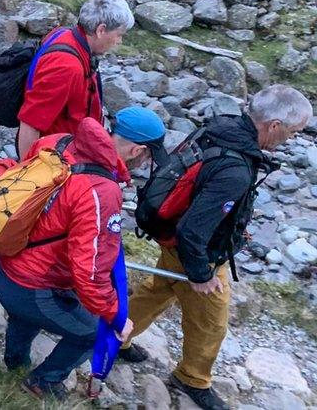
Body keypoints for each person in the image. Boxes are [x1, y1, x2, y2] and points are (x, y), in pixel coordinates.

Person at [119, 85, 313, 410]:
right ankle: (192, 378)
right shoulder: (236, 169)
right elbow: (193, 231)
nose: (291, 139)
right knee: (211, 322)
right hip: (196, 252)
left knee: (159, 289)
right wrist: (201, 274)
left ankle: (115, 338)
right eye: (292, 133)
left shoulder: (221, 126)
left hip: (168, 235)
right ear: (274, 125)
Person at [0, 107, 167, 400]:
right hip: (31, 283)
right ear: (138, 150)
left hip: (4, 259)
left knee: (27, 315)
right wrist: (117, 318)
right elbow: (90, 272)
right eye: (148, 156)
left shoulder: (59, 141)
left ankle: (15, 361)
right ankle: (42, 382)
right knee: (92, 333)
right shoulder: (103, 191)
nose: (146, 162)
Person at [16, 0, 135, 158]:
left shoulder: (65, 34)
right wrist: (27, 173)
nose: (119, 41)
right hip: (56, 157)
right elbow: (30, 122)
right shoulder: (66, 66)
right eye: (119, 34)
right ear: (101, 30)